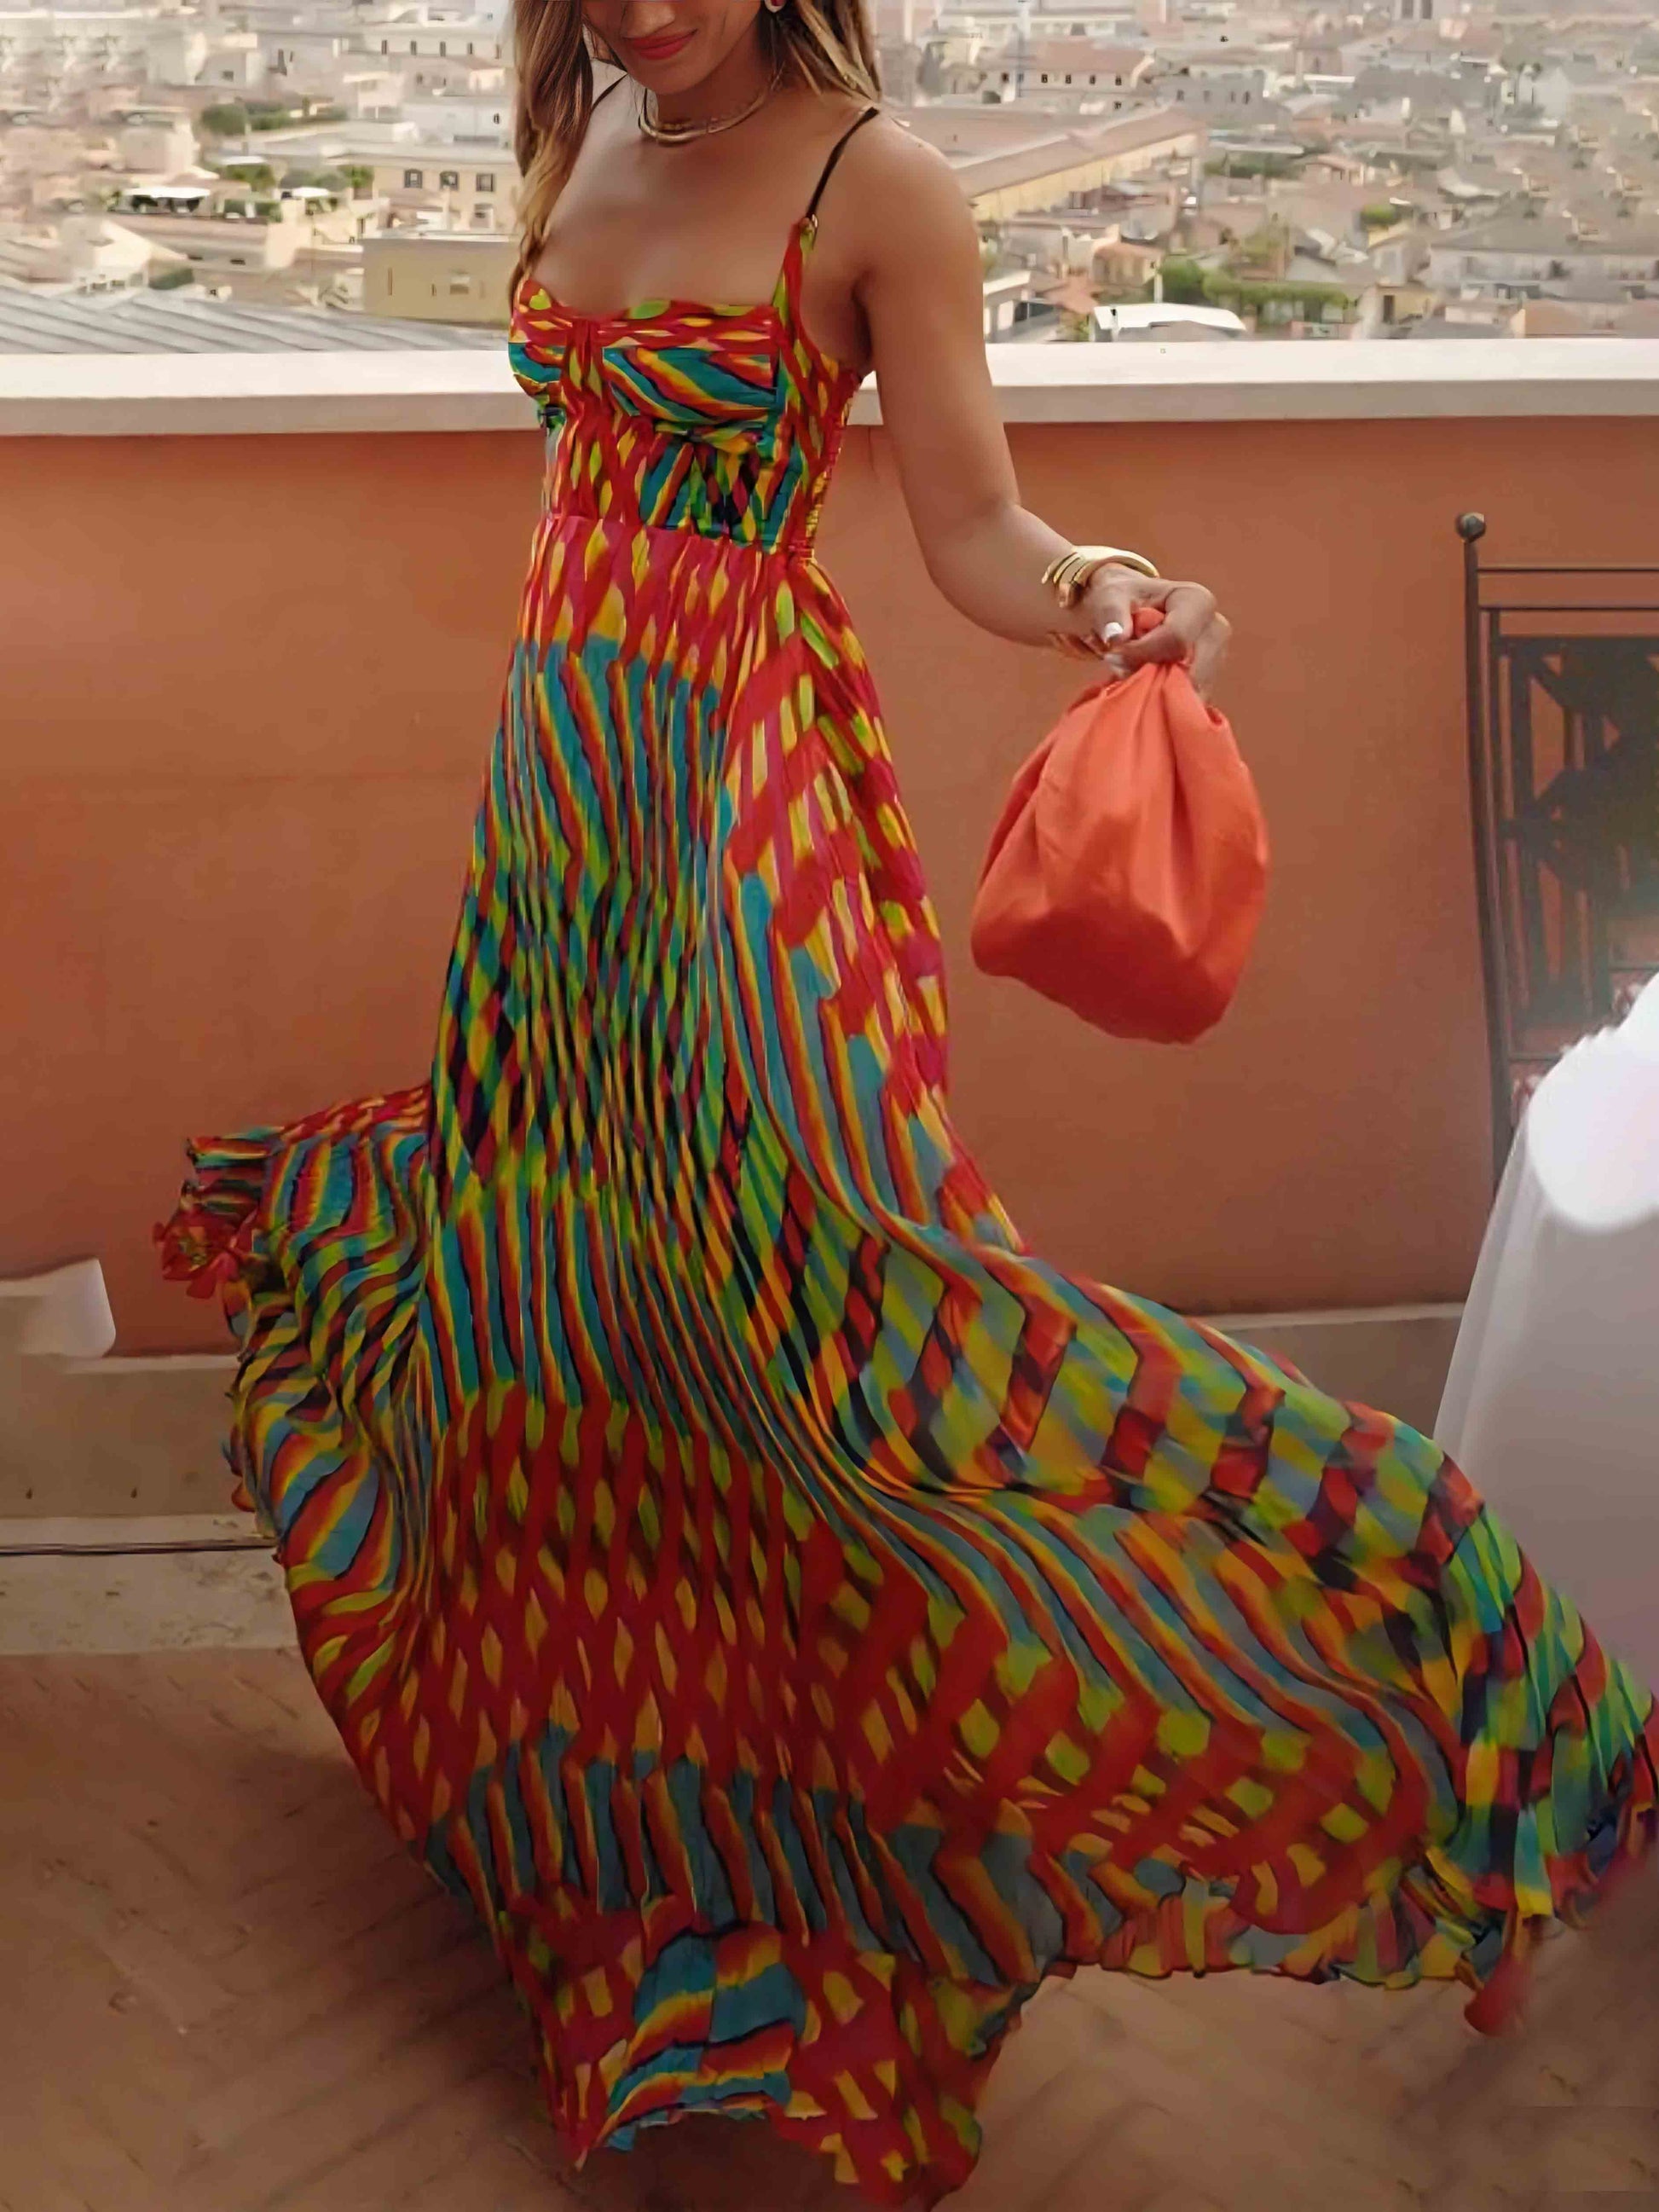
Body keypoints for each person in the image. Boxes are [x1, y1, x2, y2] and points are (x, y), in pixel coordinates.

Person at [157, 0, 1656, 2201]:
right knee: (573, 1304)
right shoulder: (585, 125)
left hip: (743, 810)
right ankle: (645, 1824)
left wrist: (1098, 591)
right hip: (564, 801)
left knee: (877, 1333)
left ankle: (1440, 1648)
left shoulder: (884, 185)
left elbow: (970, 522)